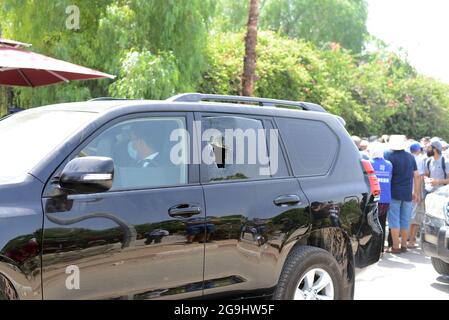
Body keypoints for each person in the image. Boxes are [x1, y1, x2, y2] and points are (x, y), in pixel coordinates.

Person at [385, 135, 421, 254]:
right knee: (405, 219)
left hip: (394, 192)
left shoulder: (389, 156)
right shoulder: (410, 157)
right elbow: (416, 175)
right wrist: (416, 192)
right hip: (407, 194)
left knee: (394, 220)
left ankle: (396, 247)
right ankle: (404, 245)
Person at [369, 142, 392, 254]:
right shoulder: (389, 164)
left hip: (375, 198)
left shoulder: (370, 163)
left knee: (373, 224)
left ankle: (374, 250)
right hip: (386, 198)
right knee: (382, 223)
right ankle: (381, 249)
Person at [408, 142, 426, 248]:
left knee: (407, 215)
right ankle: (411, 240)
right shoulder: (419, 159)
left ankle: (406, 240)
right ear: (417, 150)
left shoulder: (407, 158)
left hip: (406, 189)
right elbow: (418, 177)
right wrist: (418, 193)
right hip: (415, 189)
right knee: (414, 216)